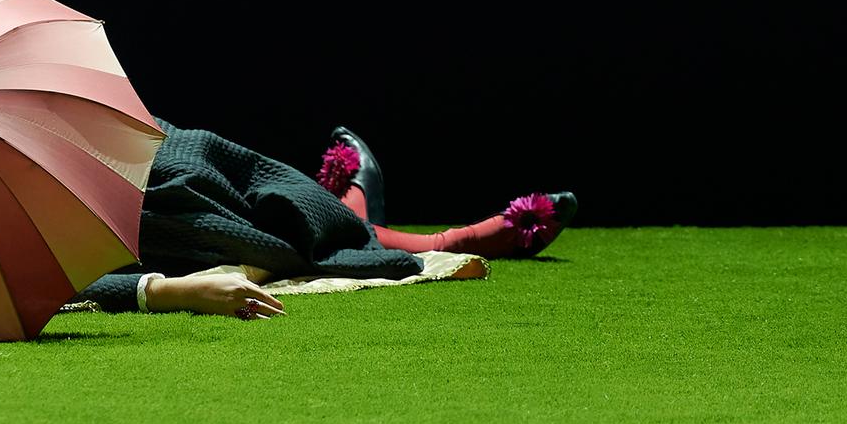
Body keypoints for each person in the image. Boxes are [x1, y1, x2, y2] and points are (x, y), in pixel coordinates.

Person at [74, 121, 578, 319]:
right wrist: (170, 291)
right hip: (126, 232)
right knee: (244, 232)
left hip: (117, 159)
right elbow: (44, 289)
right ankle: (418, 233)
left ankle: (350, 210)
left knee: (186, 157)